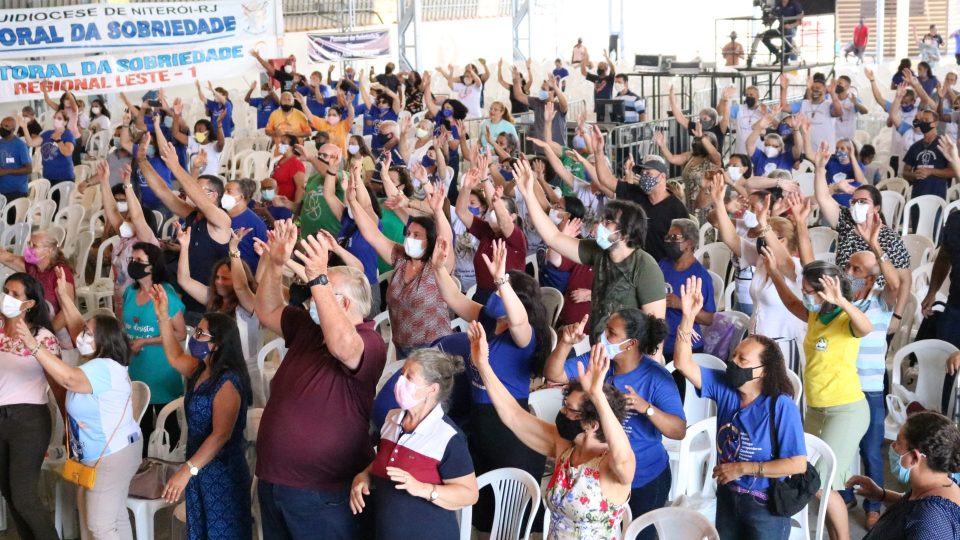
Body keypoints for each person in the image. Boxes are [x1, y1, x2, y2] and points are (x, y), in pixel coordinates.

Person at [254, 220, 386, 539]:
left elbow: (344, 347)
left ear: (342, 303)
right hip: (275, 480)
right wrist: (274, 262)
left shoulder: (369, 341)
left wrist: (318, 277)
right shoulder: (309, 328)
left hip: (321, 492)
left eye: (321, 292)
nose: (312, 300)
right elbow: (267, 309)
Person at [672, 275, 807, 540]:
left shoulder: (780, 405)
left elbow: (797, 463)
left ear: (762, 371)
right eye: (734, 355)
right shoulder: (725, 387)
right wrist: (688, 317)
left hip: (764, 504)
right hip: (728, 496)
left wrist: (743, 468)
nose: (733, 362)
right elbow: (682, 363)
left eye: (742, 359)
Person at [432, 235, 550, 535]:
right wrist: (437, 269)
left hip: (512, 431)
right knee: (484, 513)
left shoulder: (524, 337)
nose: (494, 301)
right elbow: (455, 299)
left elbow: (520, 321)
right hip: (481, 424)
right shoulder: (488, 319)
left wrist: (501, 280)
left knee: (511, 520)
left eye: (502, 294)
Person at [470, 321, 634, 537]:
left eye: (570, 410)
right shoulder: (565, 447)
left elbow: (623, 459)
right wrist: (483, 365)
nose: (562, 413)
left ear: (592, 424)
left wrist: (598, 395)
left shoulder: (611, 464)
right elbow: (513, 415)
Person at [18, 274, 141, 540]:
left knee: (99, 525)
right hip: (107, 452)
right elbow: (77, 327)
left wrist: (33, 345)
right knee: (112, 518)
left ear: (104, 341)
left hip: (111, 456)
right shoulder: (101, 358)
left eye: (88, 334)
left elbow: (67, 378)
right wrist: (64, 296)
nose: (81, 337)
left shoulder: (102, 367)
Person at [545, 309, 685, 528]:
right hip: (602, 475)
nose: (603, 336)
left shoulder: (656, 378)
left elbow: (678, 430)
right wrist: (565, 344)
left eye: (611, 333)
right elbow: (554, 374)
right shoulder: (599, 360)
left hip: (644, 477)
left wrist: (647, 408)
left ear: (630, 344)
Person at [766, 258, 870, 540]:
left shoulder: (844, 318)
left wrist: (843, 301)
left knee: (820, 485)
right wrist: (773, 271)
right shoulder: (817, 314)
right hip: (816, 410)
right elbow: (790, 303)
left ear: (825, 291)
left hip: (845, 411)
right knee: (808, 476)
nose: (805, 296)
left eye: (809, 291)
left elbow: (866, 327)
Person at [513, 159, 666, 339]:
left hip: (626, 355)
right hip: (597, 347)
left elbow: (655, 331)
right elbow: (553, 238)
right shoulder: (598, 252)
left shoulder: (646, 267)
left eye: (608, 222)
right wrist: (528, 194)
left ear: (625, 233)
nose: (600, 225)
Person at [150, 286, 252, 539]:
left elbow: (220, 436)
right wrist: (163, 316)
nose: (193, 337)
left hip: (221, 472)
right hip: (199, 467)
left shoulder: (227, 381)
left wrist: (187, 471)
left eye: (200, 333)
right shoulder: (200, 368)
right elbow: (174, 356)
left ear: (217, 344)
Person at [349, 349, 479, 539]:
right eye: (402, 374)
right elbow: (385, 462)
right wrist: (364, 476)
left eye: (409, 377)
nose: (400, 382)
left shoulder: (448, 437)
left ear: (432, 389)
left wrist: (422, 488)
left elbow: (469, 494)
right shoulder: (392, 419)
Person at [810, 142, 912, 336]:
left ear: (876, 209)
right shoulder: (846, 221)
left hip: (875, 305)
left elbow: (905, 281)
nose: (857, 206)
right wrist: (820, 169)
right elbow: (823, 197)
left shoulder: (890, 238)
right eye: (854, 202)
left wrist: (896, 317)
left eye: (863, 202)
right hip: (842, 299)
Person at [350, 173, 453, 358]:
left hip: (434, 347)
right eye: (409, 233)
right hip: (402, 345)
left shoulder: (437, 265)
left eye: (417, 235)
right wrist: (352, 201)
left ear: (430, 241)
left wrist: (437, 211)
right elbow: (372, 234)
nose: (409, 239)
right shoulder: (400, 257)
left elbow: (446, 237)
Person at [709, 173, 807, 346]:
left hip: (784, 344)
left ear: (782, 241)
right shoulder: (762, 260)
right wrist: (719, 203)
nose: (760, 237)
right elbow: (731, 239)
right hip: (757, 338)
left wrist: (764, 223)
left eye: (766, 234)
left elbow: (784, 263)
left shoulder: (795, 268)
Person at [0, 273, 60, 540]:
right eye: (5, 292)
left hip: (28, 420)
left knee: (24, 496)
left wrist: (71, 423)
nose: (7, 298)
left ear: (30, 303)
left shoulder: (44, 338)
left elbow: (58, 381)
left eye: (15, 294)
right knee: (9, 493)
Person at [847, 411, 960, 539]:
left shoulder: (930, 522)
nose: (893, 446)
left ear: (914, 458)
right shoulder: (937, 484)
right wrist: (881, 494)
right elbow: (912, 505)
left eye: (898, 442)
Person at [122, 242, 187, 446]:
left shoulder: (164, 293)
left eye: (139, 261)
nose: (133, 264)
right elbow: (124, 324)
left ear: (152, 266)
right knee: (139, 425)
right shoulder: (130, 292)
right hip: (136, 367)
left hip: (160, 368)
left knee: (164, 427)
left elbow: (181, 333)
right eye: (131, 260)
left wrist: (146, 341)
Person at [96, 160, 159, 321]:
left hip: (141, 299)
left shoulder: (147, 241)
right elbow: (112, 211)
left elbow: (138, 217)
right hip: (122, 297)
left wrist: (127, 185)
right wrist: (104, 181)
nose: (127, 221)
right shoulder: (125, 238)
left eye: (130, 220)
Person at [660, 218, 716, 361]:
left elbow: (709, 319)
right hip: (660, 340)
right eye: (668, 237)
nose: (669, 241)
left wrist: (680, 304)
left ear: (689, 243)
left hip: (686, 345)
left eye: (674, 238)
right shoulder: (663, 264)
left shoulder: (700, 276)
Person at [903, 108, 955, 201]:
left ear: (935, 123)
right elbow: (905, 172)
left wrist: (931, 171)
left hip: (937, 198)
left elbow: (953, 172)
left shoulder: (944, 144)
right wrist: (914, 175)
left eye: (926, 120)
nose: (923, 123)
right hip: (917, 196)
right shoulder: (915, 147)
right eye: (922, 120)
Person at [781, 73, 841, 151]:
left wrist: (833, 93)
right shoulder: (803, 104)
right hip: (805, 151)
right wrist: (784, 88)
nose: (815, 89)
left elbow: (839, 112)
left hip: (826, 153)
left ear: (825, 90)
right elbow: (784, 107)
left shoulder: (829, 105)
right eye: (813, 88)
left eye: (818, 87)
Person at [20, 109, 75, 186]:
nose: (56, 120)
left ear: (65, 122)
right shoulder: (47, 133)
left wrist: (58, 140)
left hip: (64, 177)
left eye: (59, 118)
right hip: (48, 177)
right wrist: (25, 128)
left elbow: (67, 152)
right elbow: (31, 143)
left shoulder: (68, 135)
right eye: (55, 118)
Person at [757, 0, 804, 65]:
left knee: (787, 33)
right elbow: (772, 15)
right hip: (780, 28)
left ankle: (785, 58)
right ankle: (777, 54)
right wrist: (767, 19)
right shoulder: (778, 5)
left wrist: (790, 26)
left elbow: (799, 21)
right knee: (765, 35)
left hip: (791, 28)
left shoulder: (795, 4)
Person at [0, 116, 32, 202]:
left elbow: (29, 169)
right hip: (2, 191)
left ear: (13, 129)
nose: (2, 128)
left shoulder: (20, 145)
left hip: (17, 191)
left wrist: (7, 171)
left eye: (6, 126)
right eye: (1, 125)